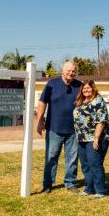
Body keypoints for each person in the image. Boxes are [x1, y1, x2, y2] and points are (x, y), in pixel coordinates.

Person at [37, 61, 82, 193]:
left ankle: (70, 182)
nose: (71, 73)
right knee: (51, 157)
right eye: (69, 70)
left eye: (73, 71)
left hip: (73, 130)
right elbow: (42, 102)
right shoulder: (52, 83)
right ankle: (48, 184)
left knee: (72, 158)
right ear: (63, 70)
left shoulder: (79, 85)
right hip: (53, 129)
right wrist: (40, 121)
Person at [73, 80, 109, 198]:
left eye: (88, 88)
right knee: (85, 165)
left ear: (93, 88)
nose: (86, 90)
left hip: (96, 137)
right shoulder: (81, 102)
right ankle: (89, 188)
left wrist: (96, 138)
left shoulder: (98, 100)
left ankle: (100, 190)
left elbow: (101, 120)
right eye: (84, 88)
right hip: (82, 138)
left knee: (94, 163)